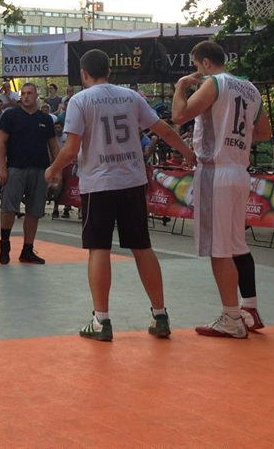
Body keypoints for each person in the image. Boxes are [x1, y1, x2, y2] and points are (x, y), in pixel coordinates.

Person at [45, 49, 195, 341]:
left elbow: (72, 149)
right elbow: (163, 129)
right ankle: (160, 315)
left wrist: (53, 169)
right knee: (142, 247)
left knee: (99, 248)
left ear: (84, 74)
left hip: (99, 183)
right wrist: (187, 151)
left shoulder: (80, 101)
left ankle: (101, 320)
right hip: (132, 181)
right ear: (109, 71)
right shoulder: (130, 97)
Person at [171, 40, 272, 338]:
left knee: (220, 250)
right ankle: (249, 308)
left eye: (195, 65)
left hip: (215, 171)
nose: (196, 71)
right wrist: (235, 137)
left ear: (205, 62)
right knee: (237, 244)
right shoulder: (251, 88)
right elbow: (264, 132)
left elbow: (179, 115)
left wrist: (181, 87)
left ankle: (231, 317)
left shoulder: (215, 83)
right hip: (239, 171)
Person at [0, 82, 60, 265]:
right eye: (23, 93)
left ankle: (27, 249)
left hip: (40, 170)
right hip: (15, 168)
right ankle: (4, 245)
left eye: (29, 93)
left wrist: (56, 170)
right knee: (8, 208)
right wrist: (2, 168)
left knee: (34, 211)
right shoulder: (10, 116)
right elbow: (1, 143)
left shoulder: (46, 119)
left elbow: (53, 146)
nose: (25, 96)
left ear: (36, 95)